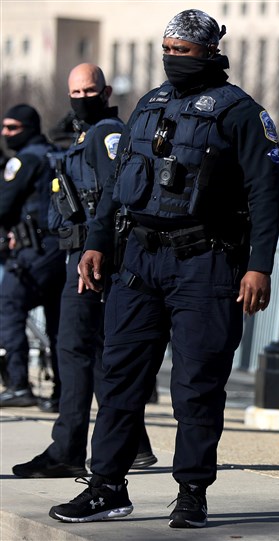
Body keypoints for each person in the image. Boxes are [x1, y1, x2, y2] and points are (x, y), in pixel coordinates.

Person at [49, 9, 279, 529]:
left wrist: (259, 266)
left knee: (197, 384)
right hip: (138, 262)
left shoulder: (241, 112)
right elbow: (115, 190)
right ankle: (107, 485)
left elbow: (266, 194)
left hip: (207, 263)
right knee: (118, 377)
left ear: (210, 52)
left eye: (184, 51)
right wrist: (96, 244)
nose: (172, 58)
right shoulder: (148, 105)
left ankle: (193, 492)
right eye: (168, 49)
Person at [12, 63, 157, 479]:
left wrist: (95, 249)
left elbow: (115, 195)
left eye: (88, 91)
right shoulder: (85, 133)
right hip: (82, 253)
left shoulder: (105, 133)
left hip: (92, 258)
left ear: (105, 90)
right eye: (74, 92)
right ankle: (133, 443)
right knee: (92, 353)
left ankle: (68, 450)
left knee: (74, 349)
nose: (80, 99)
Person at [0, 104, 66, 409]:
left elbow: (4, 204)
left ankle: (17, 384)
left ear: (28, 127)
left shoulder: (25, 160)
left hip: (34, 250)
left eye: (12, 128)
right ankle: (62, 393)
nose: (6, 133)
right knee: (57, 325)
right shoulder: (56, 154)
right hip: (62, 250)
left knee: (9, 307)